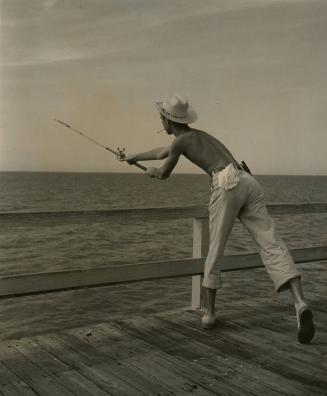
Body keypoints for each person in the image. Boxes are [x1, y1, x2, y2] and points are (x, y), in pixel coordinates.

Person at [119, 93, 315, 344]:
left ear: (167, 120)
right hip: (248, 180)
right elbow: (162, 151)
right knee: (271, 243)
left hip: (226, 183)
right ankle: (300, 303)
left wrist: (151, 173)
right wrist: (133, 157)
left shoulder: (182, 140)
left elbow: (164, 170)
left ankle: (209, 313)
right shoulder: (197, 136)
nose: (161, 123)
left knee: (215, 248)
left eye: (161, 118)